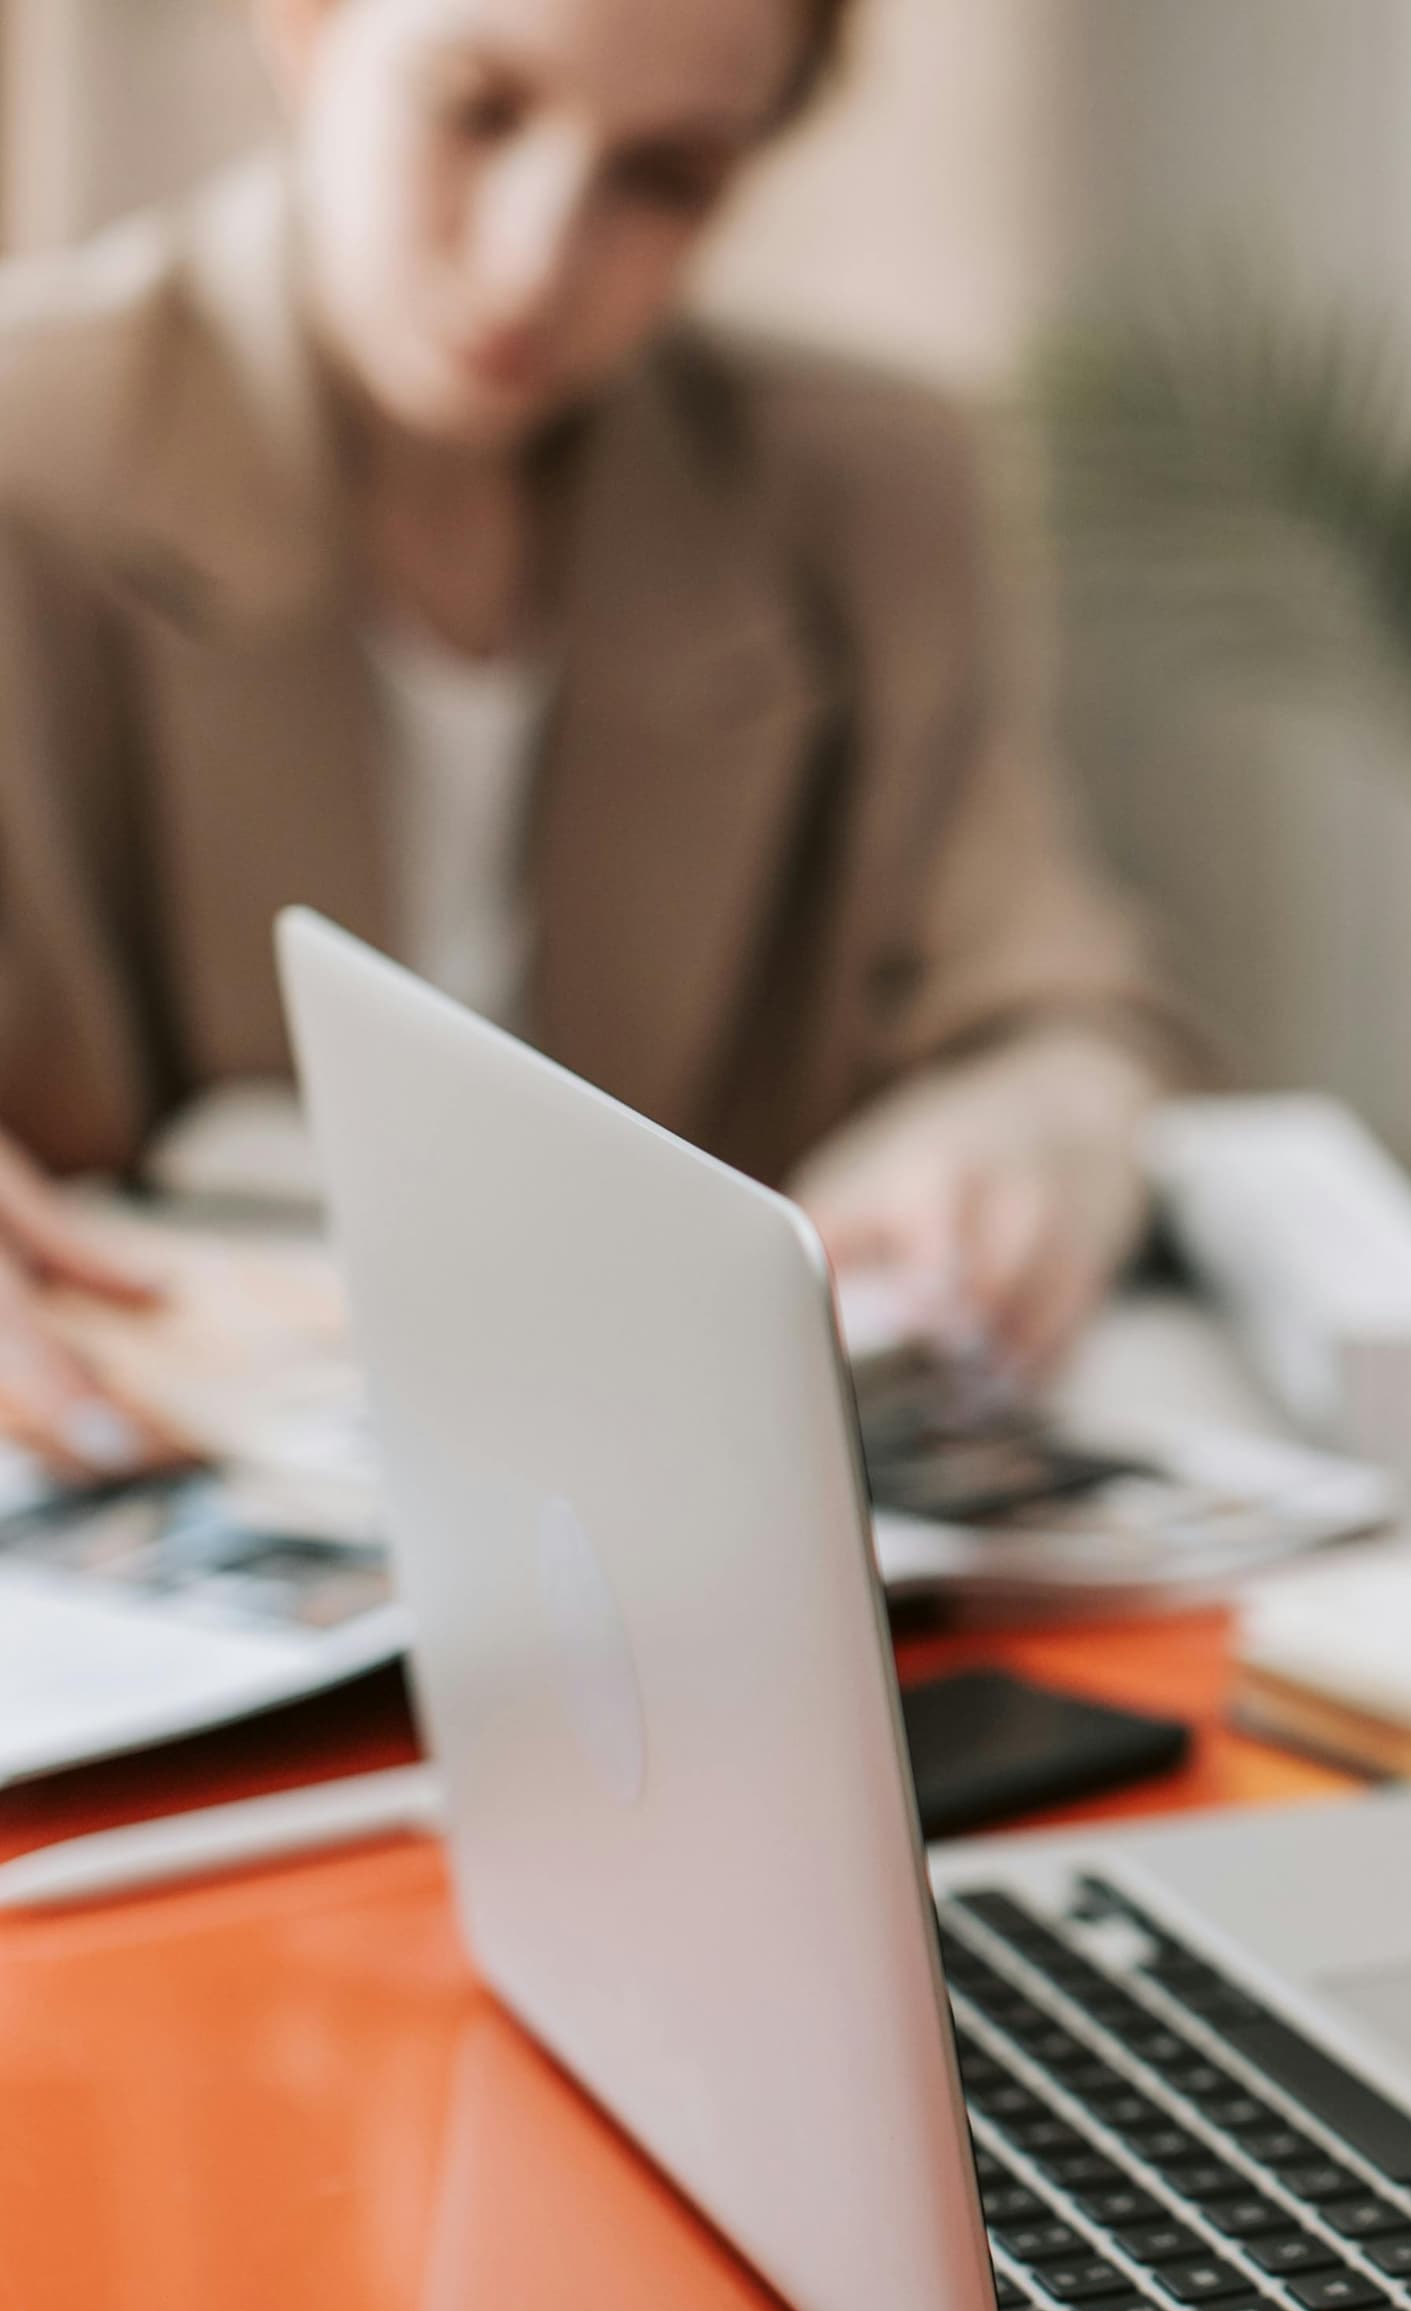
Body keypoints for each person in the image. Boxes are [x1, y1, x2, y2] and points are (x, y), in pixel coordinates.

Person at [0, 0, 1183, 1476]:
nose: (534, 257)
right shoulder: (26, 446)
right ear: (305, 28)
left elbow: (1063, 1017)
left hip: (682, 1547)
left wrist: (1016, 1152)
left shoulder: (866, 496)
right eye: (478, 109)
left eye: (665, 176)